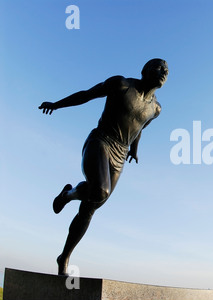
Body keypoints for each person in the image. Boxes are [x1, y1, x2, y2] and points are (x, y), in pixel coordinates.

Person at [38, 58, 169, 275]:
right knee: (100, 190)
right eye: (158, 66)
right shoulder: (121, 84)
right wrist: (56, 105)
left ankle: (64, 256)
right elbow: (87, 94)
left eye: (166, 70)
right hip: (100, 141)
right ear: (144, 70)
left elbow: (141, 126)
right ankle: (68, 195)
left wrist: (134, 149)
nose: (163, 71)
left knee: (91, 207)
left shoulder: (156, 109)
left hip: (120, 154)